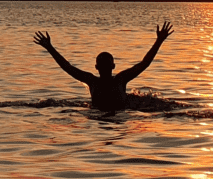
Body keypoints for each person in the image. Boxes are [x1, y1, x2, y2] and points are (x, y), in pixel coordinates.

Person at [33, 22, 173, 113]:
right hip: (105, 117)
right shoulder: (93, 81)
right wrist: (50, 48)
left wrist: (159, 41)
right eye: (102, 63)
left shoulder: (120, 79)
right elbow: (67, 67)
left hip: (114, 116)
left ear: (113, 66)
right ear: (97, 67)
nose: (105, 66)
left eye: (107, 63)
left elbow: (144, 64)